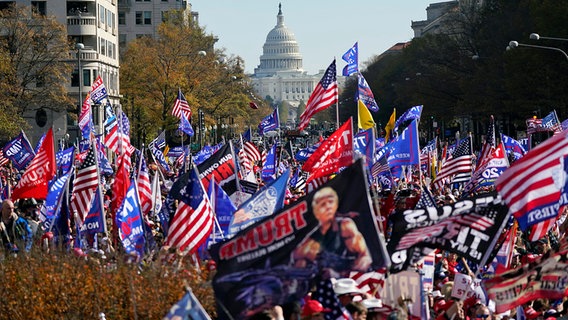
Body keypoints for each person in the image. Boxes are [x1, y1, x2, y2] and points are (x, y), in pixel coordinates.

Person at [292, 187, 372, 276]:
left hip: (348, 279)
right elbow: (296, 259)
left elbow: (365, 257)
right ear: (316, 212)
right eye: (323, 204)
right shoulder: (310, 242)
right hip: (324, 283)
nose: (328, 207)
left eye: (330, 202)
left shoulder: (345, 226)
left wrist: (340, 275)